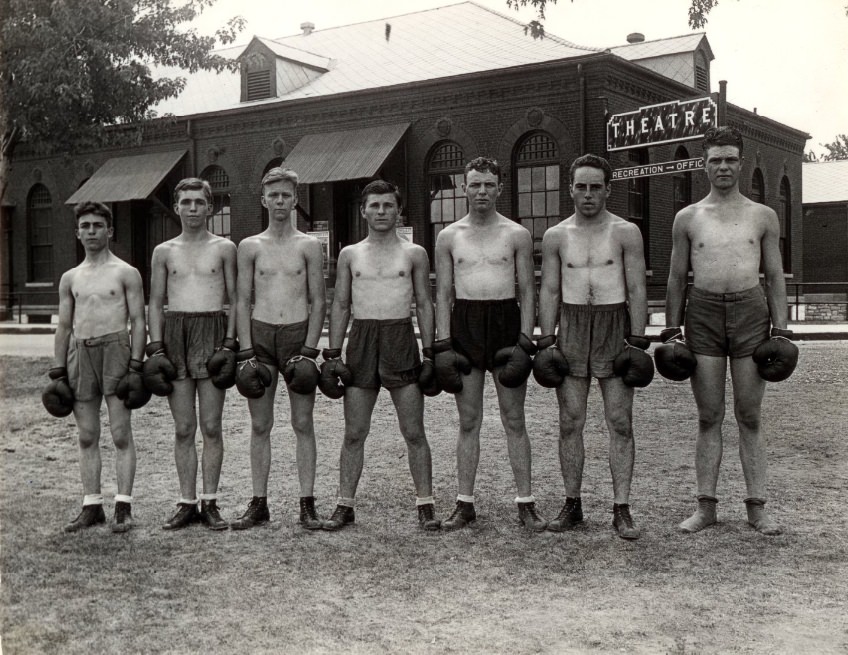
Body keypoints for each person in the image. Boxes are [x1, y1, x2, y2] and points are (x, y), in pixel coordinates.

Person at [663, 126, 795, 536]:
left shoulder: (762, 215)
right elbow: (674, 277)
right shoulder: (688, 217)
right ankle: (706, 507)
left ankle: (757, 507)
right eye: (715, 160)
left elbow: (774, 275)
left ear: (741, 162)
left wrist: (783, 329)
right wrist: (672, 331)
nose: (723, 166)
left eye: (730, 159)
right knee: (709, 414)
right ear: (704, 165)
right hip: (701, 312)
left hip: (749, 311)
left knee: (749, 414)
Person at [536, 154, 653, 540]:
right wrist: (547, 340)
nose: (588, 194)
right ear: (570, 189)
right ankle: (573, 504)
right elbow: (550, 289)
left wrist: (637, 341)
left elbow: (636, 288)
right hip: (570, 328)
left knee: (620, 421)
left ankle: (622, 508)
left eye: (596, 187)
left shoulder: (625, 232)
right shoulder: (556, 236)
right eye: (581, 187)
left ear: (607, 189)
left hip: (613, 325)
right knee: (571, 421)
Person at [433, 156, 547, 532]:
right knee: (469, 420)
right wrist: (443, 343)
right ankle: (464, 504)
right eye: (475, 184)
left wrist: (526, 341)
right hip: (465, 326)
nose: (482, 191)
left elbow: (529, 290)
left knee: (514, 418)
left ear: (499, 188)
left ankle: (526, 503)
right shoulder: (449, 236)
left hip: (504, 324)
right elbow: (444, 292)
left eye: (488, 184)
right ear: (464, 188)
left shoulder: (516, 234)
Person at [321, 180, 441, 531]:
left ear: (398, 209)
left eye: (388, 205)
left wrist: (431, 352)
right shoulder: (350, 254)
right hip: (361, 341)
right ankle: (345, 505)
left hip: (400, 338)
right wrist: (332, 353)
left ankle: (426, 506)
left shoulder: (414, 253)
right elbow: (341, 304)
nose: (381, 212)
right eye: (374, 206)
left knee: (414, 430)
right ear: (363, 211)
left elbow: (424, 303)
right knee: (355, 431)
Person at [229, 167, 328, 530]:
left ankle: (307, 504)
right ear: (263, 199)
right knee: (260, 424)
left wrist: (310, 349)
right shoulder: (250, 246)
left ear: (296, 199)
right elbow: (241, 301)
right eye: (274, 195)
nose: (280, 201)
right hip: (261, 336)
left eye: (286, 195)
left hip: (297, 336)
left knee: (303, 422)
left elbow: (319, 301)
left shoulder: (309, 246)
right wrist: (246, 350)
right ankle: (259, 503)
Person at [45, 201, 146, 533]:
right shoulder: (70, 277)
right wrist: (58, 370)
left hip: (116, 351)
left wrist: (135, 365)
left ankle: (123, 507)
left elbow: (137, 320)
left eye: (97, 225)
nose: (91, 231)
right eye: (85, 226)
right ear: (77, 232)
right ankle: (92, 506)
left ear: (110, 231)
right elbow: (63, 326)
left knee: (120, 433)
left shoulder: (125, 272)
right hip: (80, 354)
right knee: (87, 435)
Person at [147, 177, 238, 530]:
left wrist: (230, 343)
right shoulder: (164, 251)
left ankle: (210, 502)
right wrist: (156, 348)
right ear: (177, 206)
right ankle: (186, 502)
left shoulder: (224, 248)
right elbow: (155, 302)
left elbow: (235, 299)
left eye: (199, 202)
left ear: (210, 207)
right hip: (176, 335)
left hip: (213, 332)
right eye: (186, 202)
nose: (193, 209)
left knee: (211, 426)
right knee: (184, 427)